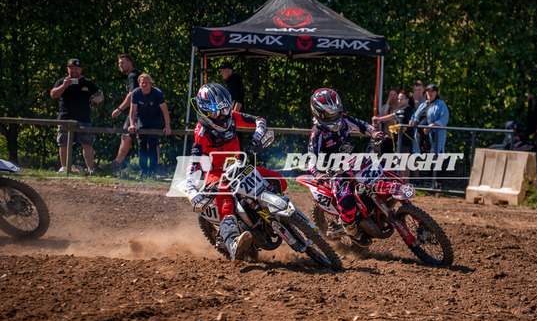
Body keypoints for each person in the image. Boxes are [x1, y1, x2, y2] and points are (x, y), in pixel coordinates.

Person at [184, 82, 285, 262]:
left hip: (239, 166)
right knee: (225, 201)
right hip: (216, 173)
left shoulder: (231, 116)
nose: (223, 116)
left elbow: (259, 120)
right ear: (205, 112)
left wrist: (257, 135)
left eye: (225, 110)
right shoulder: (202, 133)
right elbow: (193, 162)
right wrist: (191, 189)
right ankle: (233, 243)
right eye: (217, 113)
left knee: (276, 178)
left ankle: (277, 214)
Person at [310, 88, 385, 247]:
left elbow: (363, 125)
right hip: (335, 172)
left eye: (336, 113)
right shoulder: (318, 132)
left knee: (381, 175)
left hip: (354, 162)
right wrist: (316, 173)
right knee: (347, 203)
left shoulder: (344, 119)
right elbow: (311, 156)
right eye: (329, 115)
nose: (334, 117)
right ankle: (352, 231)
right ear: (318, 114)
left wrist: (373, 133)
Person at [50, 58, 104, 175]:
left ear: (81, 69)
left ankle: (90, 170)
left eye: (77, 68)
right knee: (63, 143)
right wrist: (64, 86)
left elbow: (100, 92)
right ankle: (64, 168)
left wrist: (99, 98)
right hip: (65, 118)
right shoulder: (61, 81)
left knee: (87, 144)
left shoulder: (87, 83)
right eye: (72, 68)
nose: (74, 71)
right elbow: (53, 94)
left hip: (84, 118)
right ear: (67, 69)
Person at [126, 74, 171, 175]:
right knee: (142, 145)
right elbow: (132, 111)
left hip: (155, 119)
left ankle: (153, 172)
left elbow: (165, 110)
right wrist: (132, 124)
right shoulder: (136, 93)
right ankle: (143, 171)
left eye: (146, 82)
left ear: (151, 83)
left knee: (152, 145)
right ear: (139, 83)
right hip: (142, 119)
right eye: (142, 83)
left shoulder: (157, 93)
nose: (144, 84)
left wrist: (167, 126)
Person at [108, 54, 142, 169]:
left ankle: (117, 164)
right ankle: (118, 163)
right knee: (128, 136)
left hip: (138, 111)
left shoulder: (132, 76)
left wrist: (119, 109)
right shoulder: (136, 74)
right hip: (139, 110)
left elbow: (132, 94)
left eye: (122, 63)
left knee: (131, 136)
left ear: (130, 63)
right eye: (119, 63)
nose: (120, 65)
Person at [372, 91, 415, 155]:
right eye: (398, 99)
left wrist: (379, 119)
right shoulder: (401, 108)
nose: (399, 101)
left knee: (401, 158)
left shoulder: (407, 109)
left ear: (407, 100)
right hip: (399, 139)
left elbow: (393, 116)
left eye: (401, 99)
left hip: (406, 140)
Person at [415, 84, 449, 154]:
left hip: (433, 137)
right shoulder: (423, 105)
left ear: (436, 93)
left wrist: (430, 127)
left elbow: (444, 119)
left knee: (433, 158)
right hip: (420, 137)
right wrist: (413, 121)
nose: (429, 93)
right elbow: (416, 116)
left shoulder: (441, 104)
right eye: (428, 91)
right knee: (421, 157)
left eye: (432, 91)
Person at [375, 88, 399, 153]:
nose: (393, 97)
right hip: (386, 136)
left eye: (395, 95)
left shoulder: (399, 107)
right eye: (391, 95)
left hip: (396, 136)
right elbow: (382, 117)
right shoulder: (384, 107)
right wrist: (387, 103)